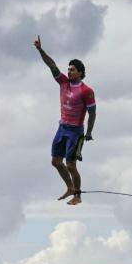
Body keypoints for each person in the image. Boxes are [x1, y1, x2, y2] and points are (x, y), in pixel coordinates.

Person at [33, 35, 95, 206]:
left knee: (71, 165)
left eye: (72, 70)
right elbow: (51, 65)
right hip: (62, 128)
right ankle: (69, 188)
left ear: (81, 72)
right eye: (68, 69)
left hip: (75, 132)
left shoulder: (86, 91)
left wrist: (89, 132)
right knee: (55, 161)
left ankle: (78, 195)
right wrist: (40, 50)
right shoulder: (63, 83)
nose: (69, 72)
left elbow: (93, 113)